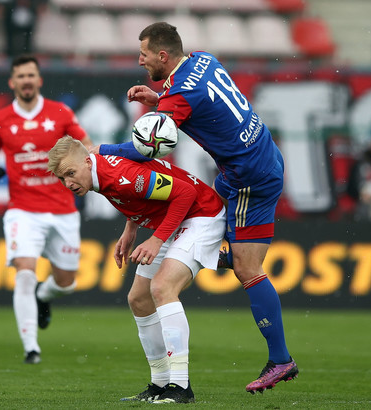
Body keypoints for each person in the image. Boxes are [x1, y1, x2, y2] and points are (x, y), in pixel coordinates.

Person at [93, 22, 298, 394]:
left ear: (162, 55)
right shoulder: (203, 59)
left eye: (143, 55)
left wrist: (99, 151)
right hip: (259, 158)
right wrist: (160, 102)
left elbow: (144, 148)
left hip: (247, 178)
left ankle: (281, 359)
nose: (139, 61)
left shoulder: (180, 94)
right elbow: (205, 102)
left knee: (248, 269)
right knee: (206, 215)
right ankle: (216, 254)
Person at [48, 136, 226, 403]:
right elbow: (139, 193)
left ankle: (180, 387)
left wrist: (155, 239)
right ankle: (159, 384)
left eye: (71, 174)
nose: (68, 183)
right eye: (63, 178)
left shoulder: (119, 174)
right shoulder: (98, 174)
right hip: (173, 219)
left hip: (201, 214)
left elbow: (185, 194)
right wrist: (131, 228)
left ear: (87, 161)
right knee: (139, 300)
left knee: (162, 288)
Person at [0, 54, 92, 364]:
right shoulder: (0, 119)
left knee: (67, 284)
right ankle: (31, 347)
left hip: (62, 208)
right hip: (23, 210)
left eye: (31, 75)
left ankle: (45, 297)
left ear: (39, 80)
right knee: (25, 274)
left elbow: (87, 146)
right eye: (21, 76)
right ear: (12, 82)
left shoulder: (60, 113)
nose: (26, 81)